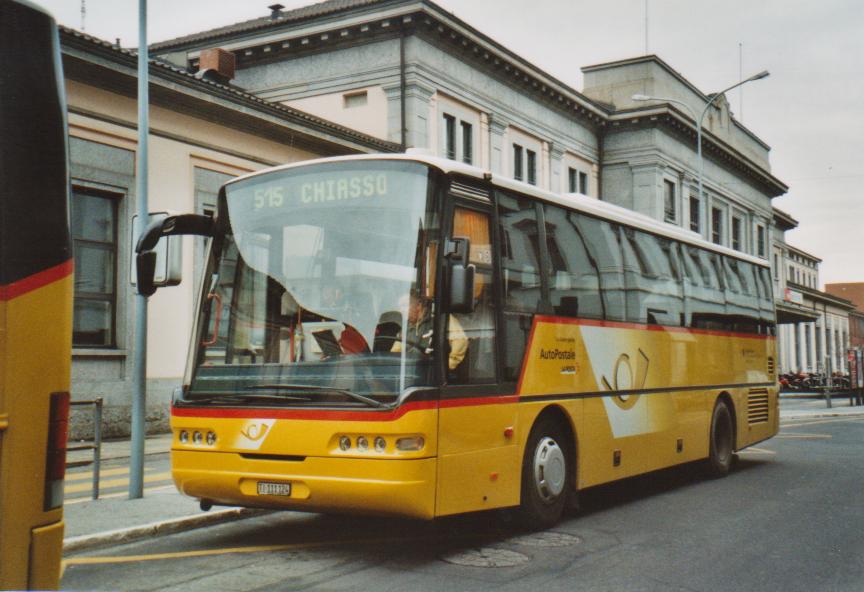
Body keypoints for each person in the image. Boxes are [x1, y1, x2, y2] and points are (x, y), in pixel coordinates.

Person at [391, 293, 467, 371]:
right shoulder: (406, 326)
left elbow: (460, 341)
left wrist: (445, 366)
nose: (400, 310)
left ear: (418, 306)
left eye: (404, 305)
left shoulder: (440, 318)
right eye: (399, 307)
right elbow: (395, 352)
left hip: (431, 375)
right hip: (410, 372)